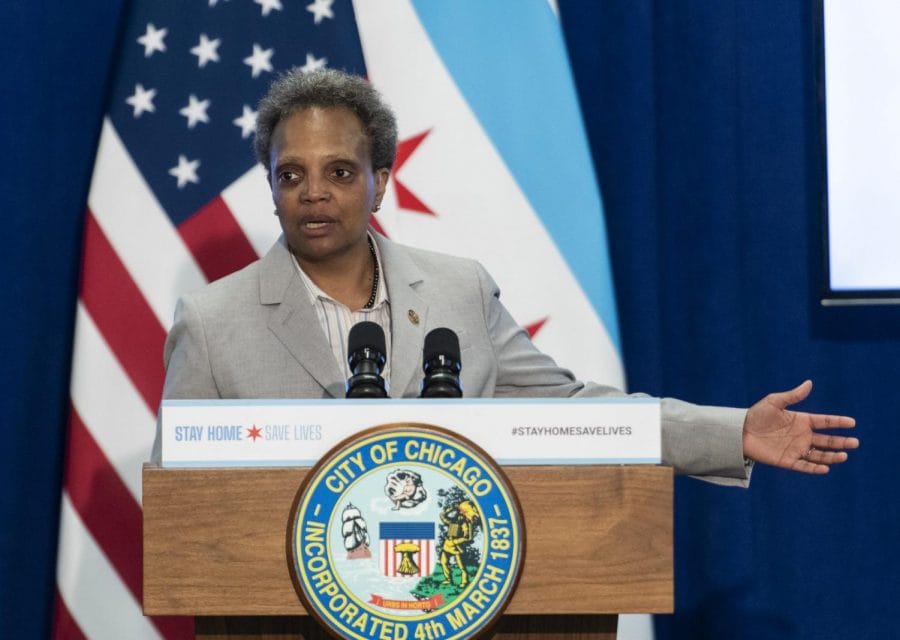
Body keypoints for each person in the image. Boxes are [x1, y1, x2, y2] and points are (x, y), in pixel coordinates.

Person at [152, 69, 858, 483]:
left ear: (381, 183)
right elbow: (175, 502)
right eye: (291, 175)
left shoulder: (458, 293)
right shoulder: (213, 324)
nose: (313, 192)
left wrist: (730, 431)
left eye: (339, 171)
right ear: (271, 189)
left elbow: (576, 412)